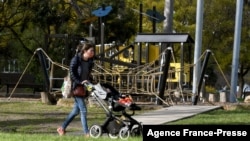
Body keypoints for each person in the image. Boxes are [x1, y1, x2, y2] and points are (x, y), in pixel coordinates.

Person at [57, 42, 95, 137]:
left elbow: (87, 74)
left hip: (84, 87)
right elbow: (72, 73)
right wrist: (79, 82)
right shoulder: (76, 59)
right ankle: (87, 133)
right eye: (91, 51)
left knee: (75, 111)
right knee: (83, 110)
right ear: (85, 51)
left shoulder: (90, 62)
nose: (93, 52)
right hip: (76, 87)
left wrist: (90, 82)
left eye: (93, 51)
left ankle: (62, 128)